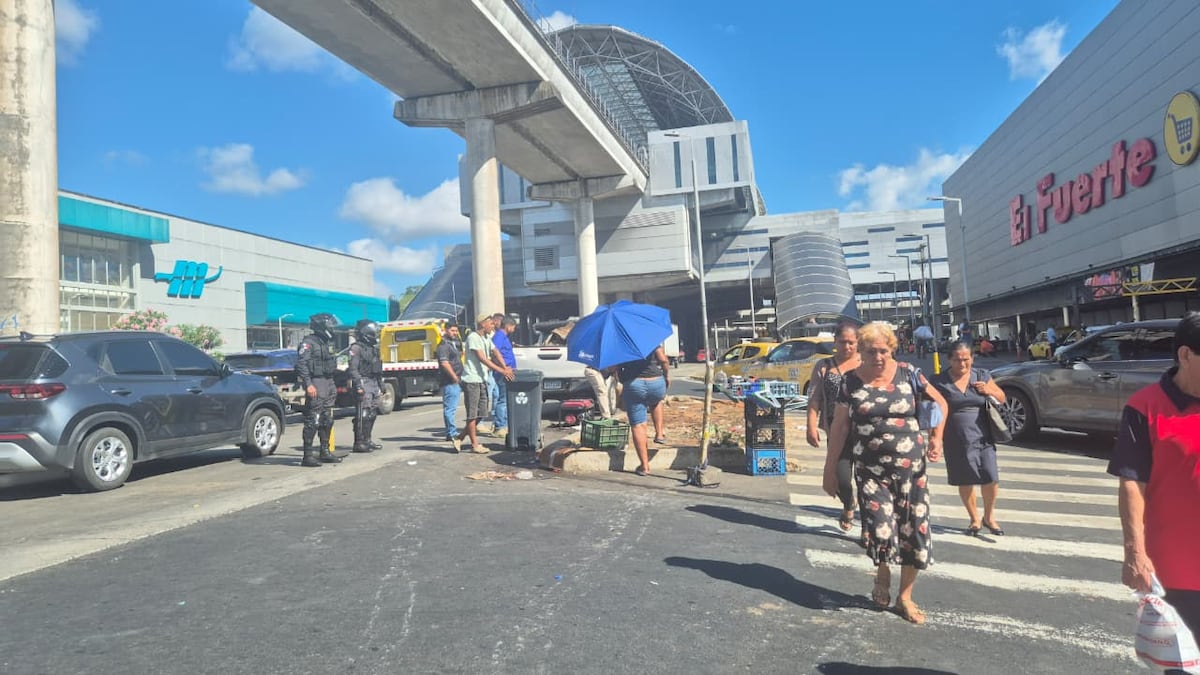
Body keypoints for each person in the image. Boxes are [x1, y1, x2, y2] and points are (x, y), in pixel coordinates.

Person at [824, 322, 947, 625]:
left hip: (912, 471)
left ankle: (905, 597)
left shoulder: (909, 373)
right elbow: (840, 427)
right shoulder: (850, 382)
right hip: (871, 470)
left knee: (913, 531)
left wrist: (936, 438)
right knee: (881, 529)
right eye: (870, 351)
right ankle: (882, 575)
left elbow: (940, 402)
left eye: (883, 350)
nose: (878, 357)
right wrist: (830, 468)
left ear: (892, 349)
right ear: (860, 351)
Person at [1108, 312, 1200, 644]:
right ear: (1186, 355)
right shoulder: (1145, 408)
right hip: (1178, 573)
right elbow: (1132, 482)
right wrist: (1135, 552)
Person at [930, 342, 1007, 537]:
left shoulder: (981, 375)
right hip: (955, 436)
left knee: (990, 476)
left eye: (966, 359)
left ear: (972, 358)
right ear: (949, 360)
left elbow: (1002, 396)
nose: (962, 363)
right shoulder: (939, 380)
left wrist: (988, 391)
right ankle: (974, 518)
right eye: (957, 359)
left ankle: (989, 517)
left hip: (983, 434)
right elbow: (933, 411)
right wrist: (935, 438)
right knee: (965, 478)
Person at [807, 322, 862, 531]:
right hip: (837, 431)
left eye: (851, 342)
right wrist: (811, 425)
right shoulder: (824, 366)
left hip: (866, 432)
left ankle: (869, 528)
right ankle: (848, 503)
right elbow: (814, 399)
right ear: (835, 342)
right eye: (842, 342)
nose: (847, 347)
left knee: (867, 482)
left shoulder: (866, 363)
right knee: (841, 477)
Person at [458, 314, 512, 454]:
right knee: (472, 414)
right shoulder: (473, 337)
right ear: (483, 324)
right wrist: (502, 371)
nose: (493, 326)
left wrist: (505, 366)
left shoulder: (487, 337)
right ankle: (475, 445)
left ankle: (460, 437)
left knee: (481, 413)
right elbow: (482, 358)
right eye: (491, 324)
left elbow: (496, 352)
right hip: (472, 380)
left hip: (482, 379)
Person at [295, 313, 343, 467]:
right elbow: (302, 364)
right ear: (322, 326)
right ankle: (307, 455)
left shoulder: (325, 342)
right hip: (316, 382)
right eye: (329, 325)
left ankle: (325, 451)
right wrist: (308, 384)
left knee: (327, 419)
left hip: (328, 381)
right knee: (313, 420)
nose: (331, 328)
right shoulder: (308, 343)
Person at [618, 345, 670, 476]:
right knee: (656, 401)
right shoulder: (649, 337)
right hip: (656, 381)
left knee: (638, 425)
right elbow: (663, 360)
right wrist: (666, 376)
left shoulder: (620, 342)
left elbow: (613, 367)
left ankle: (645, 466)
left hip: (634, 384)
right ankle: (659, 434)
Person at [348, 319, 383, 453]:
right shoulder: (356, 348)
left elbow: (378, 368)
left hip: (373, 381)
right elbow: (353, 368)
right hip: (364, 381)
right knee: (363, 413)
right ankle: (359, 442)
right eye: (373, 333)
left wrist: (381, 384)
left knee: (372, 413)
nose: (375, 335)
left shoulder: (373, 349)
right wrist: (358, 385)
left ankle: (367, 440)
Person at [436, 323, 465, 450]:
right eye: (452, 330)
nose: (455, 333)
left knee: (452, 407)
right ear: (446, 330)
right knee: (450, 408)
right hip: (450, 380)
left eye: (456, 331)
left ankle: (450, 432)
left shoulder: (453, 344)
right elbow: (444, 363)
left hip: (458, 378)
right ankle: (452, 433)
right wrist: (454, 377)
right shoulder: (443, 346)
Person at [490, 315, 518, 438]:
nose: (514, 329)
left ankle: (504, 424)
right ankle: (500, 426)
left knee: (506, 399)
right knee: (503, 400)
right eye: (513, 326)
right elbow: (494, 352)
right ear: (508, 326)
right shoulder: (499, 337)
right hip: (503, 372)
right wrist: (503, 368)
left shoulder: (504, 337)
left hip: (508, 370)